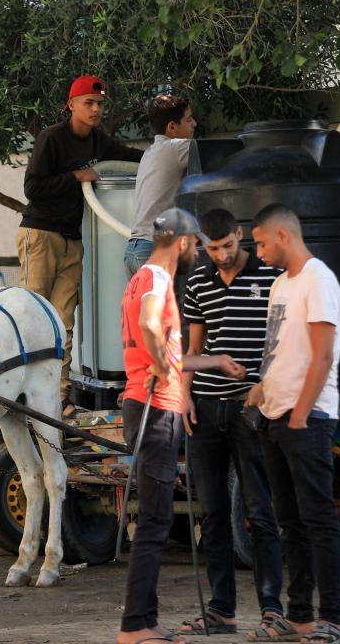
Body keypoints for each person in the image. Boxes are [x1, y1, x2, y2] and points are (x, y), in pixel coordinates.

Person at [118, 207, 246, 644]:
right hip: (155, 408)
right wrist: (160, 365)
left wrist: (212, 360)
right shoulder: (156, 279)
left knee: (153, 519)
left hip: (149, 404)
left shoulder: (139, 278)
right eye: (198, 246)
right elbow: (151, 326)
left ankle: (148, 622)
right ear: (186, 242)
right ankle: (135, 626)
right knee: (154, 522)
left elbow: (168, 349)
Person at [178, 209, 283, 636]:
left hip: (249, 408)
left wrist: (266, 394)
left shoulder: (270, 276)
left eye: (227, 246)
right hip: (204, 407)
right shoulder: (198, 281)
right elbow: (194, 344)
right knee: (214, 512)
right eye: (211, 247)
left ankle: (272, 608)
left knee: (259, 511)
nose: (220, 255)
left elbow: (280, 342)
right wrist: (183, 394)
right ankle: (221, 610)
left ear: (239, 235)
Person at [245, 203, 340, 644]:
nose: (259, 252)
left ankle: (331, 618)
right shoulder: (280, 285)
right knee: (291, 522)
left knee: (319, 519)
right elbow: (278, 346)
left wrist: (302, 413)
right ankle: (299, 614)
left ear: (283, 235)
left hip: (307, 417)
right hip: (274, 415)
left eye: (262, 243)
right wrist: (262, 386)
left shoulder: (318, 279)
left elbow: (323, 354)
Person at [17, 75, 144, 416]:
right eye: (89, 103)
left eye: (100, 104)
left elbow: (129, 156)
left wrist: (163, 156)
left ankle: (57, 397)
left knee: (62, 321)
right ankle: (21, 392)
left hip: (73, 239)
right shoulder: (51, 138)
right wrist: (75, 177)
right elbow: (32, 187)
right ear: (71, 104)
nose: (95, 109)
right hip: (40, 236)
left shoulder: (98, 142)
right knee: (33, 316)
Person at [125, 94, 197, 276]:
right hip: (154, 249)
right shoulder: (178, 148)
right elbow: (219, 155)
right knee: (165, 305)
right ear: (172, 127)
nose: (194, 124)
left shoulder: (150, 151)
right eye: (188, 119)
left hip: (134, 250)